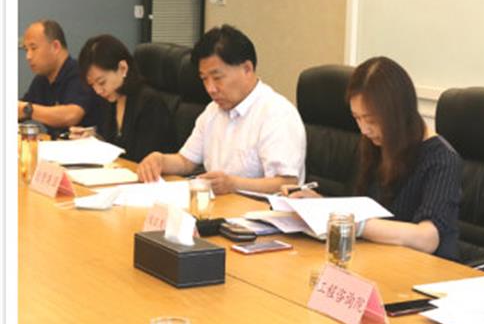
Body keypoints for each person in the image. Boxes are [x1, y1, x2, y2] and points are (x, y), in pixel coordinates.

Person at [294, 57, 462, 259]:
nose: (364, 129)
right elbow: (359, 205)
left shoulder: (442, 159)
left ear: (397, 114)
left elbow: (427, 238)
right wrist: (319, 205)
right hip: (375, 257)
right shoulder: (374, 144)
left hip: (422, 269)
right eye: (357, 118)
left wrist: (358, 225)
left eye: (371, 120)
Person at [136, 25, 305, 194]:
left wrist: (234, 184)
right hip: (218, 205)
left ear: (247, 69)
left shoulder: (277, 114)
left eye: (217, 78)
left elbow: (286, 183)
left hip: (258, 208)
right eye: (204, 79)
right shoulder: (213, 111)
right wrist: (160, 160)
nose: (210, 89)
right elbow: (186, 161)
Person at [76, 34, 173, 162]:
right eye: (92, 85)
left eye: (101, 82)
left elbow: (142, 159)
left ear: (123, 68)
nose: (98, 91)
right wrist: (93, 138)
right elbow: (114, 145)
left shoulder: (150, 103)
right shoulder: (109, 100)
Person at [19, 20, 101, 134]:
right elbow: (20, 108)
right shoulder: (41, 80)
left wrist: (28, 110)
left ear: (55, 47)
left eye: (33, 48)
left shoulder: (79, 73)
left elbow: (71, 115)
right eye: (26, 50)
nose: (28, 56)